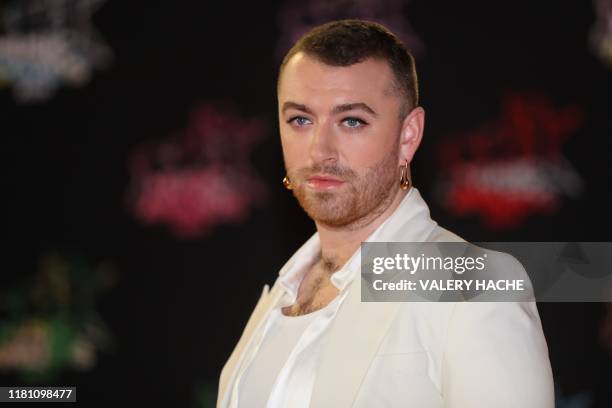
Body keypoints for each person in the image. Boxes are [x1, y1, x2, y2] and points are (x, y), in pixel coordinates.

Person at [217, 19, 554, 407]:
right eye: (301, 120)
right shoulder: (283, 291)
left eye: (352, 121)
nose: (319, 150)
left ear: (408, 135)